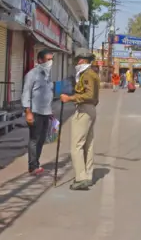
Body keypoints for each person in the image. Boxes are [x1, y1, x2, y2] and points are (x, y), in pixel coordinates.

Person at [60, 48, 100, 191]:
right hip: (90, 110)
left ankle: (81, 178)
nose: (77, 62)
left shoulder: (87, 74)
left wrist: (69, 98)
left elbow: (88, 95)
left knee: (76, 146)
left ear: (83, 60)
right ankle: (87, 175)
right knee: (88, 144)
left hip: (84, 109)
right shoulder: (90, 74)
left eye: (78, 60)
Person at [22, 49, 54, 176]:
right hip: (35, 112)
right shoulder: (32, 74)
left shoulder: (47, 74)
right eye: (48, 60)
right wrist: (28, 112)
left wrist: (50, 111)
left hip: (46, 112)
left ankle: (36, 163)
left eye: (52, 60)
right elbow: (26, 93)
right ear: (40, 60)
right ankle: (32, 166)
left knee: (42, 139)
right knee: (34, 139)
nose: (50, 62)